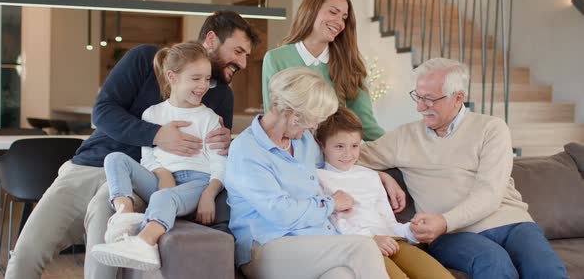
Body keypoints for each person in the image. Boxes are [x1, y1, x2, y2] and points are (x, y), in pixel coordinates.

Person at [5, 10, 260, 279]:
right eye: (239, 51)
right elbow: (102, 112)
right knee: (26, 254)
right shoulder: (144, 59)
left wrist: (226, 148)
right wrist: (156, 134)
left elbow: (212, 158)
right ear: (211, 39)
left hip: (143, 181)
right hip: (89, 166)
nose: (243, 62)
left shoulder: (221, 98)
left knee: (103, 229)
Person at [358, 58, 569, 279]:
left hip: (510, 223)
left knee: (547, 270)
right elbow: (346, 157)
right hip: (450, 235)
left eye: (429, 99)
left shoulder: (491, 129)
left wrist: (445, 220)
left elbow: (490, 193)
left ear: (458, 98)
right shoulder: (403, 137)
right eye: (418, 97)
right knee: (494, 263)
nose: (420, 107)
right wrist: (381, 175)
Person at [226, 67, 388, 279]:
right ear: (294, 116)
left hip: (314, 240)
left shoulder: (303, 141)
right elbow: (281, 213)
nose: (315, 126)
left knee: (342, 275)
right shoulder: (247, 150)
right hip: (267, 247)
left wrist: (381, 175)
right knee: (363, 247)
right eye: (314, 119)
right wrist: (331, 203)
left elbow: (338, 160)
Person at [90, 42, 227, 271]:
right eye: (196, 78)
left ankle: (145, 244)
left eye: (207, 79)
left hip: (196, 182)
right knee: (114, 159)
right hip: (161, 181)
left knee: (162, 199)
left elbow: (220, 163)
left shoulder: (209, 118)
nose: (203, 85)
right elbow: (148, 156)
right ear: (172, 77)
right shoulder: (153, 113)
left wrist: (209, 193)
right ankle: (124, 216)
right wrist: (162, 174)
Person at [316, 106, 454, 279]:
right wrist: (372, 239)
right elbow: (332, 226)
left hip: (393, 241)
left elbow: (389, 222)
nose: (348, 154)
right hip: (361, 247)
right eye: (339, 146)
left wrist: (412, 229)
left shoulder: (371, 176)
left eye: (354, 146)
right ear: (321, 144)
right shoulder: (318, 178)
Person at [261, 0, 384, 141]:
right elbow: (272, 117)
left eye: (344, 17)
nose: (339, 22)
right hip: (291, 152)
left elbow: (365, 124)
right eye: (333, 12)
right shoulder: (276, 58)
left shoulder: (351, 65)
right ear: (311, 10)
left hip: (334, 156)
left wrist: (394, 150)